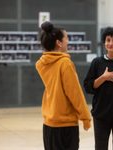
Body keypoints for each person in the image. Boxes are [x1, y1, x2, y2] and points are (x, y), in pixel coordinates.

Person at [35, 21, 91, 150]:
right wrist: (85, 117)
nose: (68, 41)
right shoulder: (65, 63)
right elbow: (74, 93)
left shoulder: (42, 63)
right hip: (66, 125)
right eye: (66, 38)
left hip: (48, 125)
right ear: (59, 43)